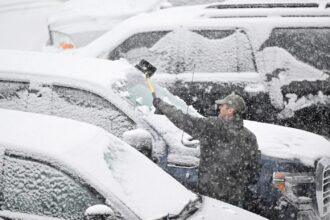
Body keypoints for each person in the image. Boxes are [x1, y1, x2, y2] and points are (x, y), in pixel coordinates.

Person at [153, 93, 261, 208]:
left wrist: (162, 106)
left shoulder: (214, 127)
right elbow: (254, 171)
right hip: (235, 200)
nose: (219, 108)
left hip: (211, 197)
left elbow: (185, 120)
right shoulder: (250, 137)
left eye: (223, 106)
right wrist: (237, 185)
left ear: (230, 110)